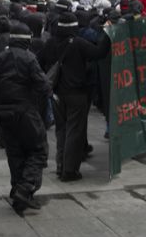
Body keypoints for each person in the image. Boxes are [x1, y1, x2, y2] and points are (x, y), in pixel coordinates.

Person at [0, 22, 51, 215]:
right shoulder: (29, 58)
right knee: (38, 150)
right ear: (28, 40)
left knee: (14, 154)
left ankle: (17, 193)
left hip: (3, 113)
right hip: (25, 111)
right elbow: (43, 86)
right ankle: (25, 189)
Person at [40, 12, 109, 182]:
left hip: (56, 95)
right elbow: (99, 53)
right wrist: (108, 33)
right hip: (76, 94)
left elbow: (39, 62)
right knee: (74, 132)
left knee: (61, 131)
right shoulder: (78, 43)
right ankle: (69, 170)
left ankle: (60, 166)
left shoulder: (49, 43)